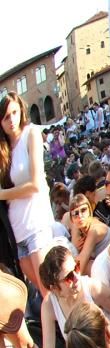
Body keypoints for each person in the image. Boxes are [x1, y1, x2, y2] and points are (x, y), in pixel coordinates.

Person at [0, 92, 53, 294]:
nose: (12, 119)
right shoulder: (3, 150)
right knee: (45, 295)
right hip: (16, 233)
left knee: (50, 290)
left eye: (14, 112)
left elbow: (36, 184)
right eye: (6, 116)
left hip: (36, 225)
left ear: (21, 111)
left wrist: (2, 194)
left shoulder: (31, 134)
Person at [65, 194, 110, 276]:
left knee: (87, 266)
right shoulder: (78, 227)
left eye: (83, 210)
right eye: (75, 213)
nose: (80, 216)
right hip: (103, 264)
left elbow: (81, 267)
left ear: (90, 211)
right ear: (72, 219)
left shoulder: (94, 230)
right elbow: (74, 252)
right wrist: (74, 247)